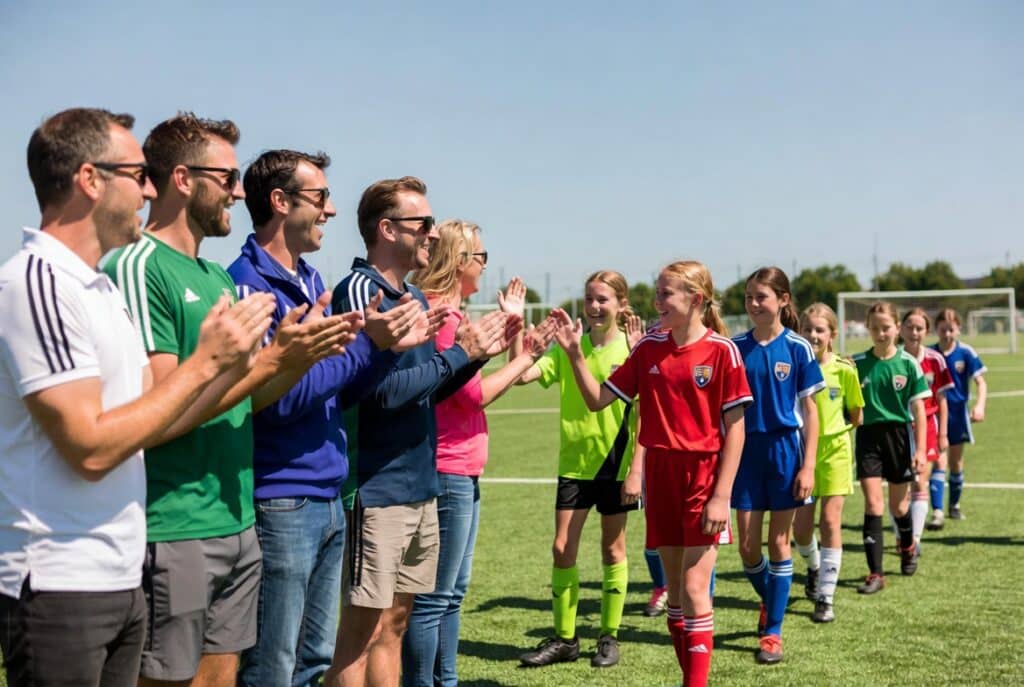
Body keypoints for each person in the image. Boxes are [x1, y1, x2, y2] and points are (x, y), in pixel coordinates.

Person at [0, 107, 274, 687]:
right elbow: (92, 448)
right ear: (89, 179)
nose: (149, 188)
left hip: (117, 573)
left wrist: (261, 362)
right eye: (138, 174)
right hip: (60, 581)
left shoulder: (95, 287)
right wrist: (207, 364)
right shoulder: (36, 283)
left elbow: (157, 405)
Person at [104, 113, 356, 687]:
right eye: (229, 177)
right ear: (184, 179)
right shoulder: (138, 265)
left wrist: (294, 357)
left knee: (226, 677)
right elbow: (157, 408)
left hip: (236, 513)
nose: (238, 193)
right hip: (174, 521)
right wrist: (276, 360)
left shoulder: (216, 278)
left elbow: (246, 400)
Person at [227, 150, 427, 686]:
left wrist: (381, 349)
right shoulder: (249, 286)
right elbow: (278, 398)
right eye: (320, 198)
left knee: (312, 663)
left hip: (325, 494)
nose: (331, 211)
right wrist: (368, 344)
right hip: (283, 499)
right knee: (272, 666)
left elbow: (339, 393)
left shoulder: (312, 279)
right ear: (280, 202)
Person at [325, 178, 511, 687]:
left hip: (418, 484)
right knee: (358, 638)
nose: (432, 234)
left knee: (395, 626)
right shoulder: (362, 290)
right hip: (377, 487)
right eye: (423, 224)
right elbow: (381, 393)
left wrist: (473, 355)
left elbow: (428, 389)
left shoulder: (408, 293)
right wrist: (459, 353)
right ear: (386, 229)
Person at [553, 260, 751, 687]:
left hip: (703, 477)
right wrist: (573, 355)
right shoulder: (648, 349)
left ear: (695, 300)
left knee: (697, 590)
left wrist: (722, 495)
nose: (656, 301)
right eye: (657, 292)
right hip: (661, 477)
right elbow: (597, 400)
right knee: (675, 601)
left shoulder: (722, 351)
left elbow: (736, 428)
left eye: (666, 294)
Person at [402, 223, 556, 687]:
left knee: (450, 594)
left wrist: (513, 333)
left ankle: (444, 680)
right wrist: (526, 356)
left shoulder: (451, 314)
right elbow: (474, 397)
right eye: (481, 255)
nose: (486, 265)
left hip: (460, 467)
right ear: (460, 258)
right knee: (435, 597)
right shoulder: (444, 318)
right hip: (446, 467)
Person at [515, 270, 639, 670]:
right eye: (590, 299)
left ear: (621, 304)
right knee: (561, 548)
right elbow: (522, 375)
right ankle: (566, 639)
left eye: (603, 299)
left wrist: (638, 466)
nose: (595, 307)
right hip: (574, 465)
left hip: (617, 464)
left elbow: (642, 413)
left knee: (612, 548)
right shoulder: (572, 346)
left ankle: (609, 635)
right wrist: (520, 334)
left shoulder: (632, 350)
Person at [731, 267, 823, 664]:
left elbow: (811, 410)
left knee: (778, 542)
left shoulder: (798, 347)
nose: (753, 304)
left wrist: (809, 466)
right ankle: (773, 599)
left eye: (762, 297)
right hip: (745, 453)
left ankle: (772, 633)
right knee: (748, 549)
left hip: (786, 451)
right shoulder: (735, 348)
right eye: (749, 297)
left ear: (783, 300)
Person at [791, 303, 863, 623]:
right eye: (807, 329)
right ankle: (813, 567)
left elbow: (856, 414)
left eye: (820, 330)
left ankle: (826, 596)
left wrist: (837, 433)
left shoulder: (845, 370)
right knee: (802, 529)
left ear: (832, 335)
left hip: (835, 452)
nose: (813, 335)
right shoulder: (793, 365)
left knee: (830, 522)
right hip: (801, 452)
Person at [852, 302, 930, 594]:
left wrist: (920, 451)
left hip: (899, 436)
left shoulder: (908, 364)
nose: (880, 333)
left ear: (897, 328)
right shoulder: (858, 363)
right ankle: (875, 574)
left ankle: (908, 546)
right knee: (873, 504)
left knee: (899, 506)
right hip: (868, 438)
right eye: (874, 328)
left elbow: (919, 410)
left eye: (886, 327)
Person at [898, 308, 953, 548]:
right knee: (901, 486)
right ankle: (903, 535)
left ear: (926, 331)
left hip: (928, 426)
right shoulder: (894, 358)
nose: (914, 332)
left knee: (920, 480)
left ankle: (914, 540)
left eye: (919, 328)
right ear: (901, 329)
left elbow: (941, 400)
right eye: (909, 326)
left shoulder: (935, 360)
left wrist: (943, 434)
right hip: (899, 427)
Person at [931, 308, 987, 523]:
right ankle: (937, 512)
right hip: (935, 415)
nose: (947, 334)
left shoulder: (966, 352)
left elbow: (980, 381)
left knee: (956, 462)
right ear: (936, 329)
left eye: (951, 330)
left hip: (958, 414)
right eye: (943, 329)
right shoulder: (930, 354)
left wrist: (980, 405)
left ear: (958, 329)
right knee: (939, 460)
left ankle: (953, 505)